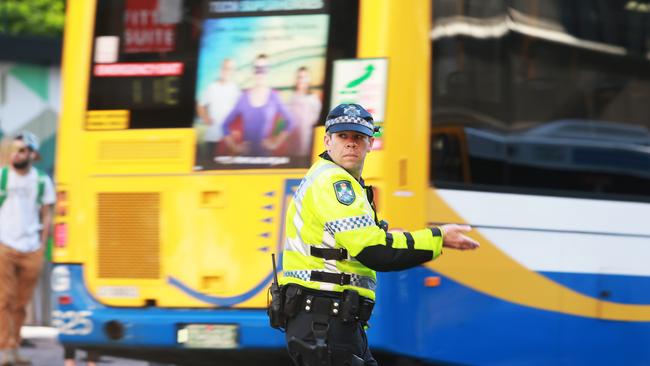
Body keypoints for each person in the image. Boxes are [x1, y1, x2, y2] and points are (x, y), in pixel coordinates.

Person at [275, 104, 480, 366]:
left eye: (358, 137)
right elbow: (376, 253)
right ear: (327, 140)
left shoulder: (330, 178)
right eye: (342, 136)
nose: (351, 144)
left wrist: (390, 236)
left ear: (370, 143)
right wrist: (438, 237)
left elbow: (361, 240)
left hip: (330, 319)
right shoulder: (336, 183)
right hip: (324, 319)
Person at [0, 131, 55, 366]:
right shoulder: (2, 177)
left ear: (32, 153)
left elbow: (47, 213)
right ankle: (4, 350)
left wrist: (42, 246)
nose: (17, 154)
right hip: (5, 246)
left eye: (22, 150)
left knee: (21, 303)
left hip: (31, 248)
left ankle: (15, 347)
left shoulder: (42, 180)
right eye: (14, 150)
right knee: (4, 300)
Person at [221, 54, 295, 156]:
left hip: (265, 160)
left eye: (263, 69)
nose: (260, 73)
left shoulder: (274, 97)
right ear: (252, 71)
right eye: (257, 69)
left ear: (268, 71)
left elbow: (291, 122)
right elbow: (224, 125)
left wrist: (275, 143)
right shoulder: (243, 97)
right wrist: (235, 147)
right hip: (244, 160)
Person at [196, 58, 241, 162]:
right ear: (221, 69)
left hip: (228, 140)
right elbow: (200, 105)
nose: (226, 71)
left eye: (229, 69)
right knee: (208, 170)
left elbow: (240, 114)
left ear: (233, 71)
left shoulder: (236, 90)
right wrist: (205, 118)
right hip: (212, 138)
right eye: (224, 68)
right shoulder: (212, 87)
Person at [289, 66, 322, 156]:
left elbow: (316, 119)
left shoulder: (313, 99)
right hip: (292, 140)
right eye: (300, 77)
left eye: (304, 78)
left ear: (308, 80)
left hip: (306, 139)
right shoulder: (292, 98)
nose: (302, 81)